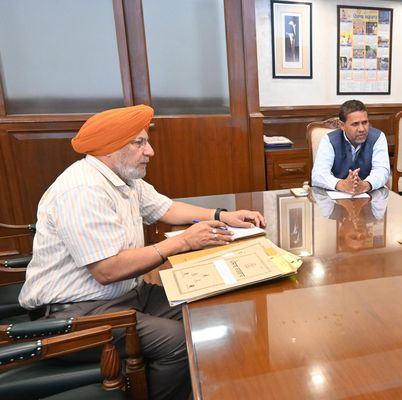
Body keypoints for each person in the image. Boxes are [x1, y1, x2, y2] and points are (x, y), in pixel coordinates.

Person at [18, 105, 265, 400]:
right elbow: (107, 270)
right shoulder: (82, 190)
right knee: (179, 342)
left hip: (125, 295)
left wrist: (222, 215)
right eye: (139, 143)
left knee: (205, 307)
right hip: (76, 314)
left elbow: (167, 208)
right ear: (109, 147)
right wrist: (183, 242)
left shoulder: (124, 178)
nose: (150, 151)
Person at [311, 100, 390, 195]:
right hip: (336, 196)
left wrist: (365, 185)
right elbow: (318, 174)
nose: (361, 129)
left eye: (364, 122)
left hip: (369, 195)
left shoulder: (378, 137)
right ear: (342, 125)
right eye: (355, 124)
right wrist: (342, 185)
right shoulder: (329, 140)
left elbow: (382, 170)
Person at [312, 187, 388, 251]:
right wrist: (366, 199)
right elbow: (384, 192)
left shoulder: (330, 213)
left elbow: (315, 191)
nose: (359, 233)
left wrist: (340, 200)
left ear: (341, 231)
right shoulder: (376, 215)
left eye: (353, 236)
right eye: (362, 236)